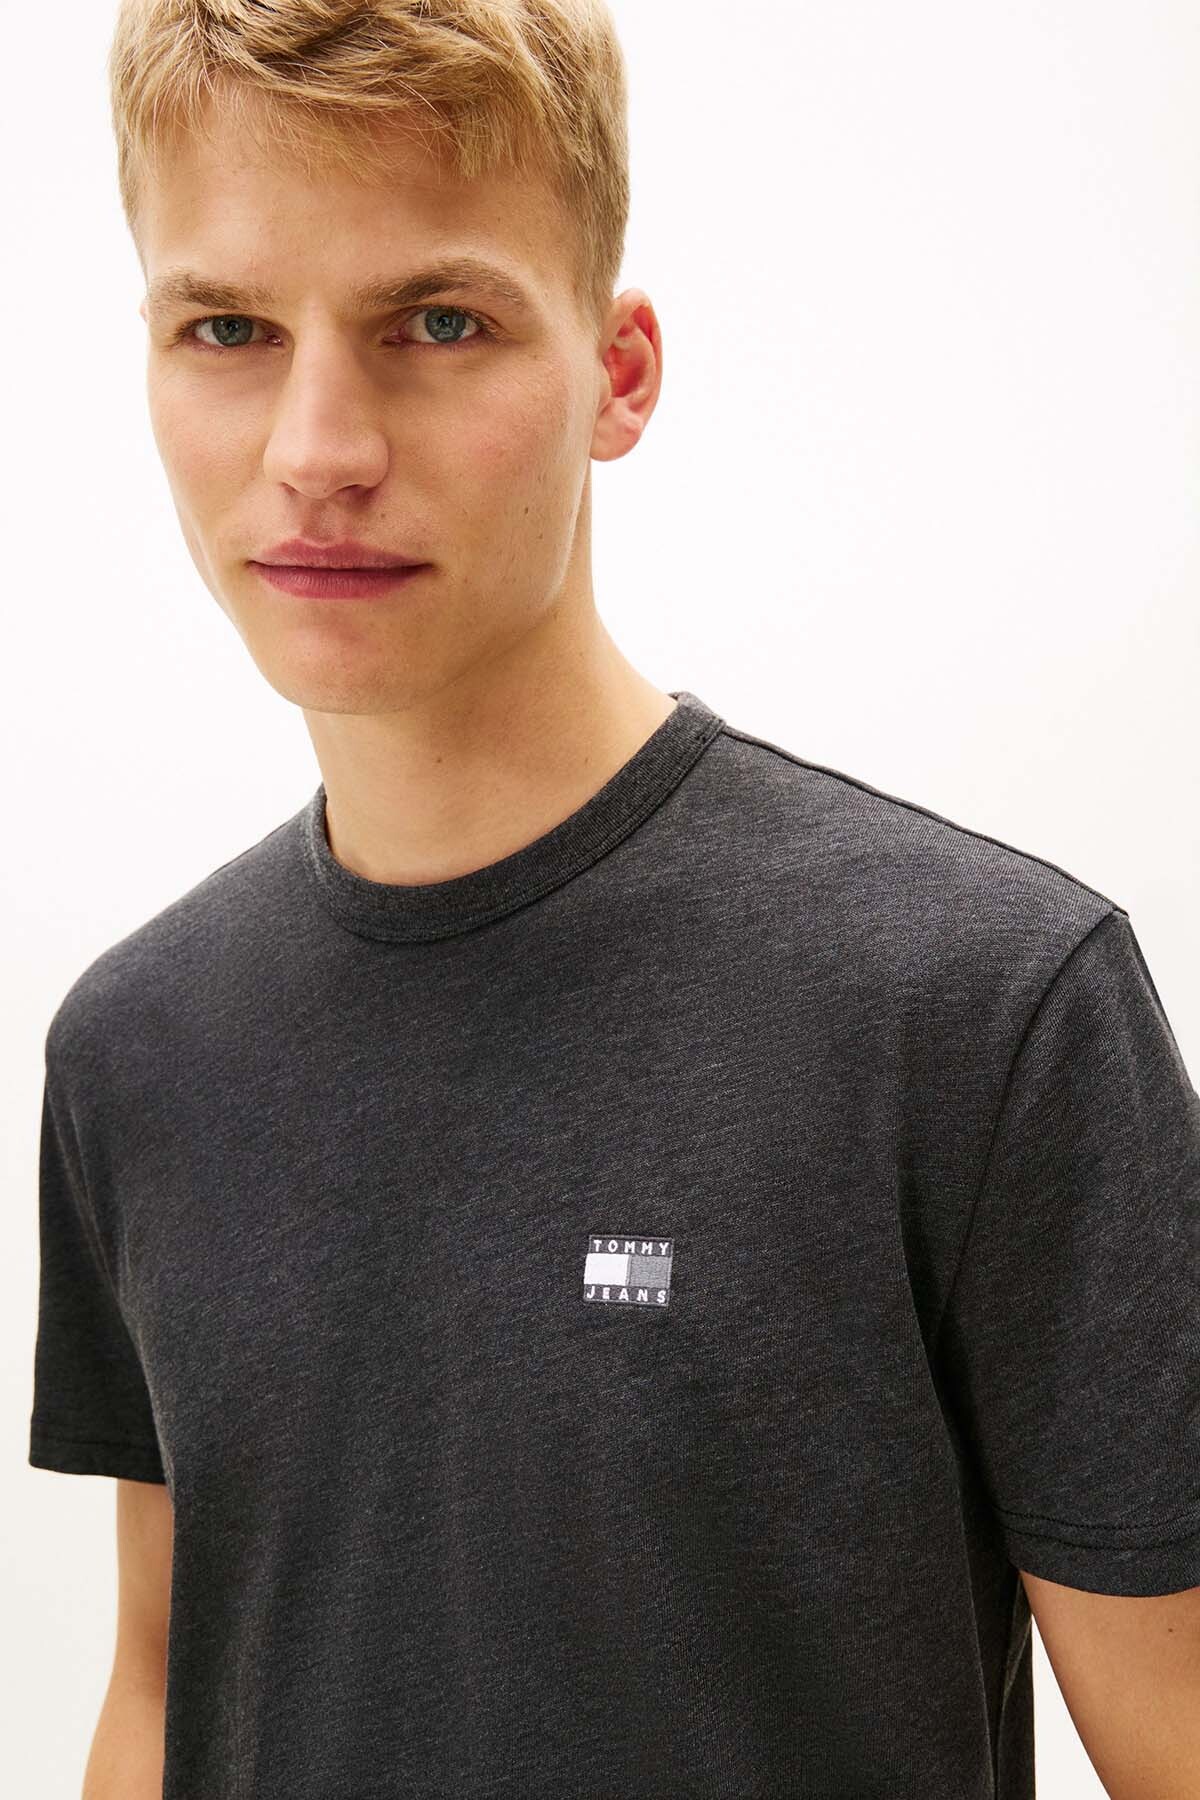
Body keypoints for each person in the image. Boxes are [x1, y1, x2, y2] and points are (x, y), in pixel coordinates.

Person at [28, 3, 1200, 1798]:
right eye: (231, 329)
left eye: (439, 322)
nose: (319, 447)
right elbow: (161, 1684)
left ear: (620, 373)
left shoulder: (983, 1008)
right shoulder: (135, 1049)